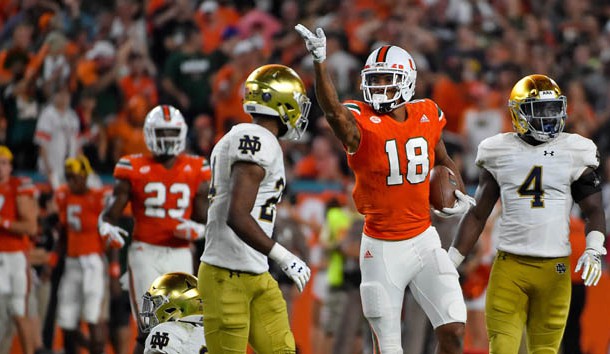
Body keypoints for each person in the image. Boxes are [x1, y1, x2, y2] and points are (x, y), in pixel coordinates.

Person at [296, 24, 473, 354]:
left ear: (408, 79)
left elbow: (444, 158)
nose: (378, 86)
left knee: (454, 329)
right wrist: (321, 62)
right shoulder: (360, 121)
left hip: (424, 240)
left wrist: (456, 191)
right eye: (373, 79)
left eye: (385, 78)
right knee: (388, 348)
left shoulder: (428, 113)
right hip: (381, 249)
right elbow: (334, 113)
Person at [449, 74, 607, 353]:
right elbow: (477, 215)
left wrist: (594, 248)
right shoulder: (498, 150)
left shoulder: (574, 150)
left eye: (553, 108)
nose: (550, 116)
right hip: (510, 265)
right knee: (502, 348)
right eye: (540, 109)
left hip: (555, 269)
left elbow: (594, 209)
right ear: (518, 113)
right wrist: (451, 261)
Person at [198, 64, 312, 353]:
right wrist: (284, 255)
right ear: (281, 102)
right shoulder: (257, 139)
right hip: (225, 275)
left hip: (257, 272)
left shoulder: (253, 138)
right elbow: (236, 214)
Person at [99, 104, 211, 354]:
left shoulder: (196, 167)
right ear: (150, 134)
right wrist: (105, 225)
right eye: (161, 132)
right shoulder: (133, 166)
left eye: (171, 133)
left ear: (181, 134)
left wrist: (199, 230)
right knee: (148, 326)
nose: (167, 139)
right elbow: (111, 213)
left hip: (181, 253)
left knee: (184, 322)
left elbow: (208, 219)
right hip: (144, 252)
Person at [52, 155, 110, 354]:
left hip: (92, 261)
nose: (70, 182)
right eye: (67, 177)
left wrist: (113, 266)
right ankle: (93, 348)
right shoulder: (64, 195)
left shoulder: (98, 197)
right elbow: (63, 230)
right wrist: (55, 257)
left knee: (93, 317)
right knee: (66, 320)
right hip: (71, 261)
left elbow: (112, 234)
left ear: (85, 177)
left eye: (74, 177)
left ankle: (98, 349)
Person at [0, 146, 40, 354]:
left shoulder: (18, 187)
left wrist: (4, 223)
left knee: (19, 312)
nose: (0, 168)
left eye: (4, 163)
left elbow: (31, 227)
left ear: (11, 166)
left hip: (15, 257)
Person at [140, 272, 206, 354]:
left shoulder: (166, 331)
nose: (153, 311)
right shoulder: (215, 331)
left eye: (157, 304)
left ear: (171, 308)